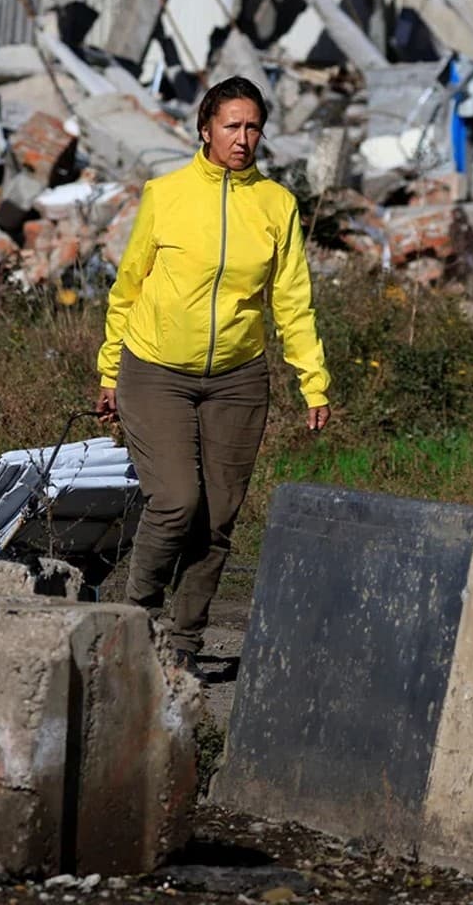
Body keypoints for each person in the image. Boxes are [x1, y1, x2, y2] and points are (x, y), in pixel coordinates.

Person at [94, 75, 331, 679]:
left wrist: (314, 381)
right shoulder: (166, 194)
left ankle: (183, 645)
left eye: (253, 127)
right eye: (232, 125)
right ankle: (131, 620)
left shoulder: (277, 204)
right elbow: (129, 286)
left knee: (217, 519)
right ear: (205, 129)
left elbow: (293, 300)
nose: (243, 138)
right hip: (155, 370)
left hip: (238, 377)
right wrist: (109, 370)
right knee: (175, 501)